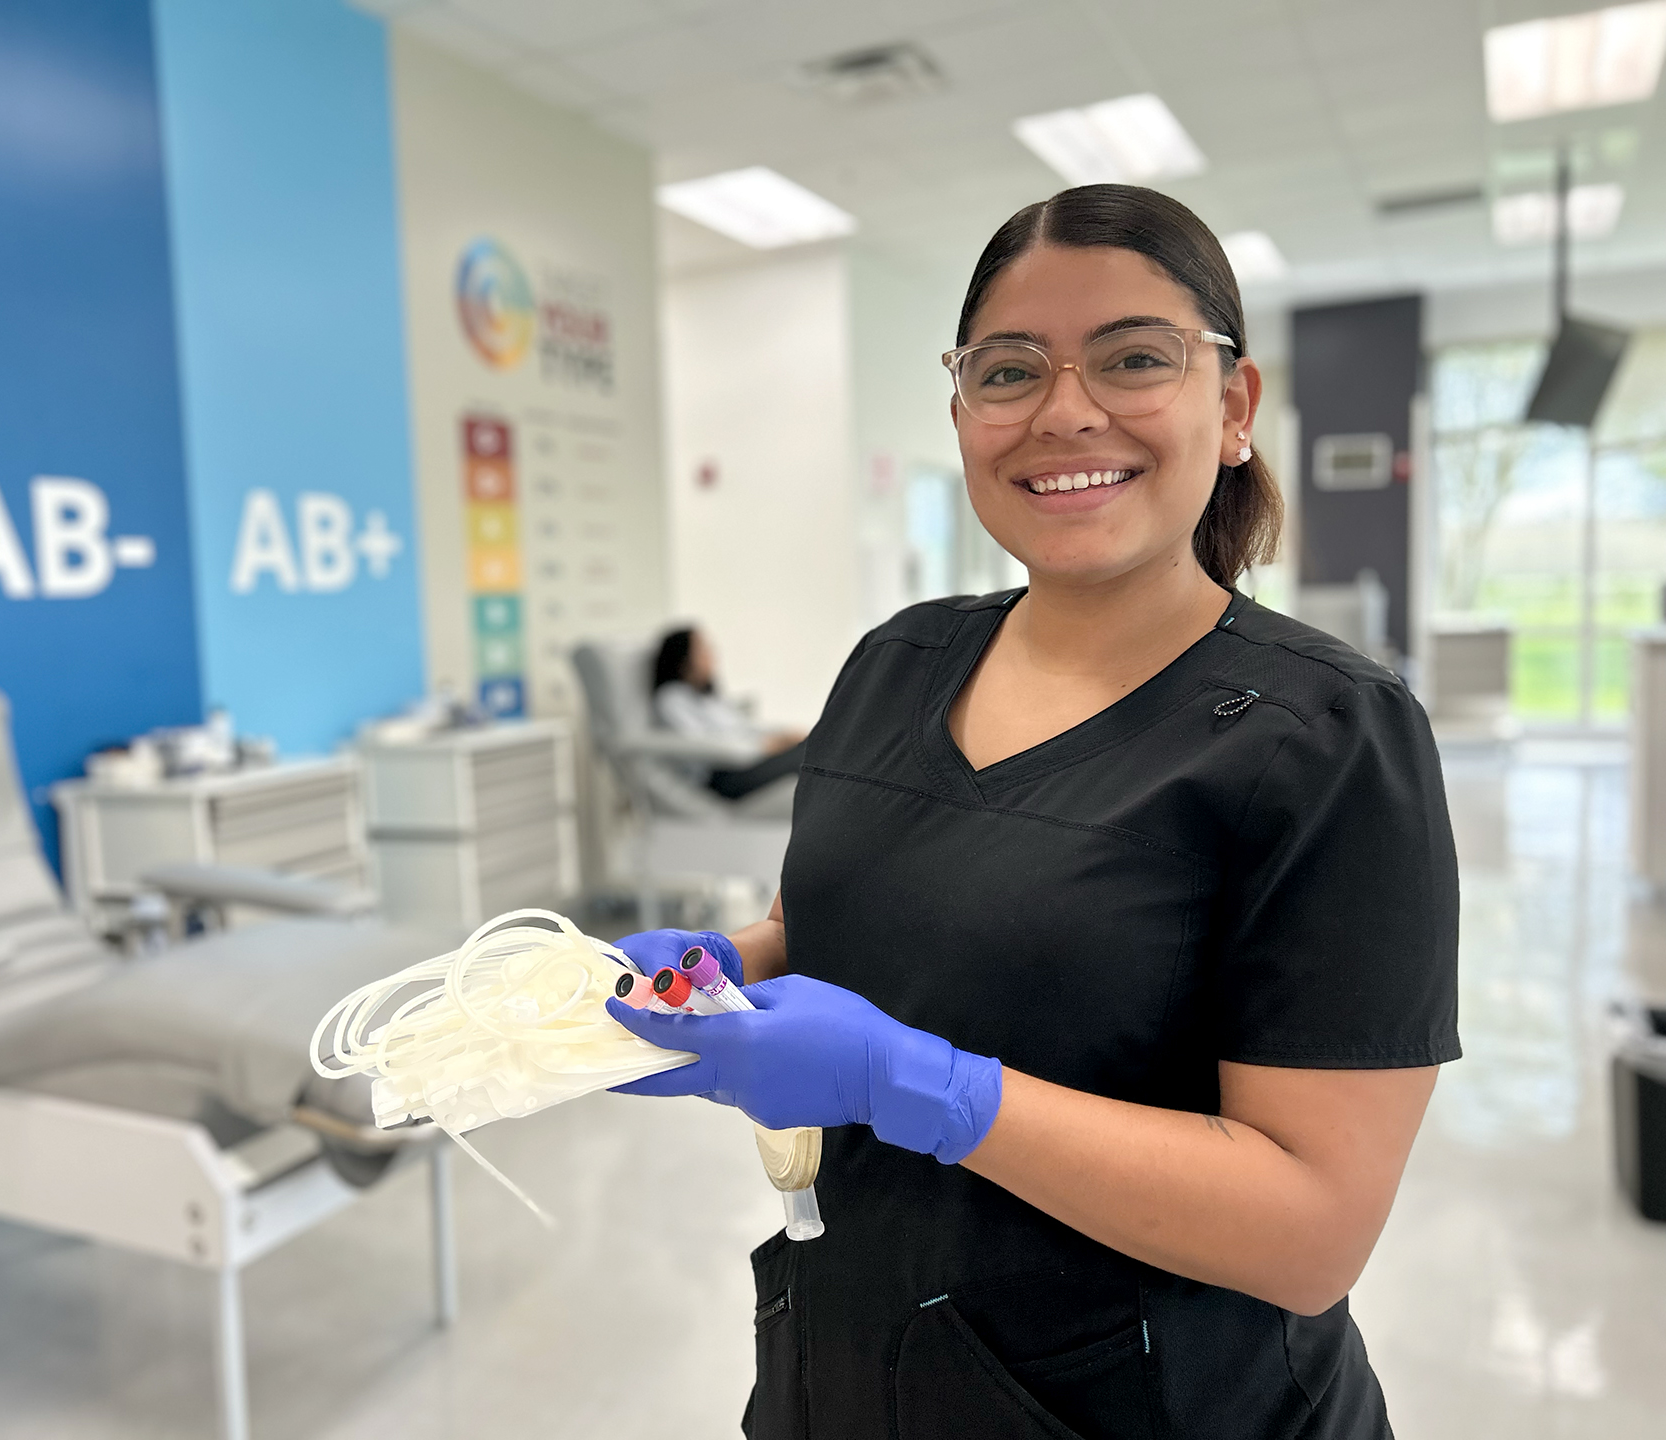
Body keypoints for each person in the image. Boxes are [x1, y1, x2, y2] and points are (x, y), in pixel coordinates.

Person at [607, 184, 1458, 1440]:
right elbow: (829, 912)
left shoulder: (1327, 738)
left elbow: (1309, 1233)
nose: (1066, 411)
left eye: (1133, 358)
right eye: (1009, 370)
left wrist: (930, 1089)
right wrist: (724, 968)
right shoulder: (895, 662)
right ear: (961, 412)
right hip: (849, 1367)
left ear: (1231, 408)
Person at [649, 625, 805, 801]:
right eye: (702, 649)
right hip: (724, 776)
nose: (711, 655)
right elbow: (700, 745)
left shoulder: (708, 697)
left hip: (749, 762)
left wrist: (783, 736)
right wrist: (763, 746)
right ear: (683, 658)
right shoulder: (672, 698)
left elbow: (745, 727)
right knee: (813, 755)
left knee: (813, 744)